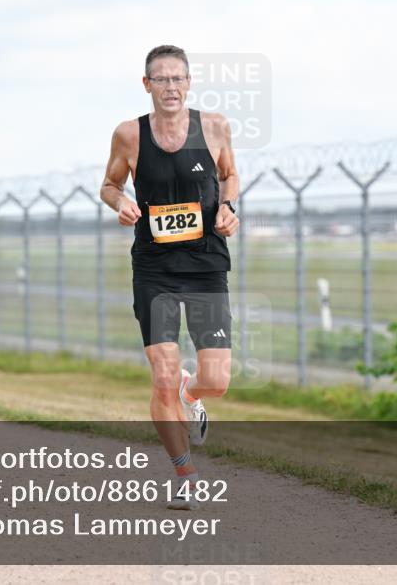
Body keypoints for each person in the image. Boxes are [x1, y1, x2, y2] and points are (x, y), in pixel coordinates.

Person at [100, 45, 240, 510]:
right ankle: (185, 475)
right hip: (155, 268)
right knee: (161, 376)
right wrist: (120, 203)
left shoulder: (215, 126)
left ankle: (191, 391)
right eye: (161, 79)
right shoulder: (128, 135)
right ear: (147, 85)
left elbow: (231, 176)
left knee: (216, 380)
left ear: (189, 82)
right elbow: (110, 184)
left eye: (177, 78)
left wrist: (228, 207)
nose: (170, 87)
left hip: (205, 265)